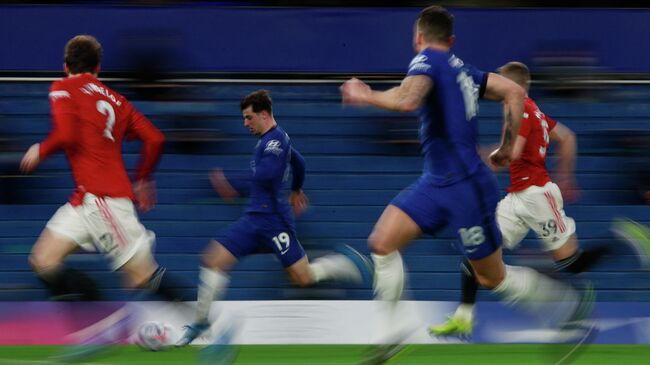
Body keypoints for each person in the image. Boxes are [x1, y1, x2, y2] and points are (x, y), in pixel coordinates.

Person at [340, 6, 593, 363]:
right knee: (382, 243)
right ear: (452, 39)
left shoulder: (426, 59)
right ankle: (392, 335)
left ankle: (565, 305)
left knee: (492, 279)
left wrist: (364, 94)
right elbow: (513, 92)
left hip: (465, 188)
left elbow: (407, 98)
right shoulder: (463, 68)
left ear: (418, 37)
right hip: (436, 181)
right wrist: (507, 148)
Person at [176, 89, 371, 346]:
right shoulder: (274, 141)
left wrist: (233, 181)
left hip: (274, 223)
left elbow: (267, 175)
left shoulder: (275, 142)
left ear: (264, 114)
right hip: (253, 219)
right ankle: (201, 323)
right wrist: (297, 189)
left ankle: (343, 264)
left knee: (303, 278)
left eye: (248, 117)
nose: (245, 123)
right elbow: (299, 162)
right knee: (212, 259)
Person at [430, 61, 608, 338]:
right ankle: (463, 317)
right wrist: (566, 177)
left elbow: (510, 155)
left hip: (537, 195)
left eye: (500, 83)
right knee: (478, 251)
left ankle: (622, 239)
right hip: (518, 197)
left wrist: (475, 159)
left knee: (571, 264)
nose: (496, 88)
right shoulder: (535, 111)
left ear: (514, 86)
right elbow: (567, 137)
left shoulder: (522, 109)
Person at [20, 35, 188, 315]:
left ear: (65, 66)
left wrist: (41, 149)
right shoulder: (118, 101)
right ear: (98, 68)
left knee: (142, 275)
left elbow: (67, 133)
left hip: (104, 200)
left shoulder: (63, 87)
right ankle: (93, 324)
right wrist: (144, 178)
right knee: (43, 259)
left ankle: (207, 324)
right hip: (85, 199)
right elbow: (155, 139)